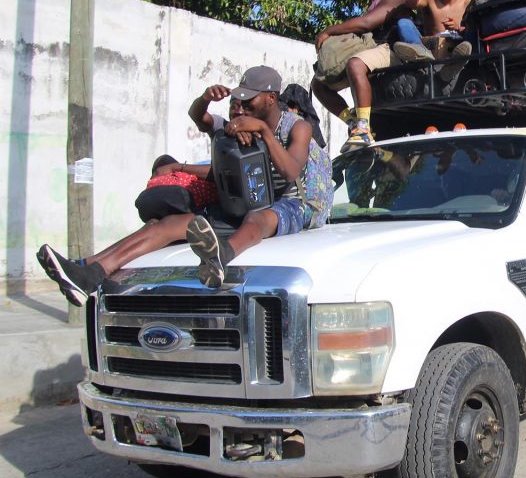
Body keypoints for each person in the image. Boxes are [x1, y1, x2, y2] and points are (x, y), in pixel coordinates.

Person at [37, 66, 333, 303]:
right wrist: (205, 99)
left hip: (300, 202)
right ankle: (87, 272)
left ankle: (221, 257)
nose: (242, 105)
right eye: (239, 99)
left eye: (250, 99)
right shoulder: (241, 121)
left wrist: (264, 133)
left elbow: (291, 170)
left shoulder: (297, 126)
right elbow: (200, 119)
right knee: (164, 225)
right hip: (253, 200)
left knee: (259, 218)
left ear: (271, 97)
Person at [311, 0, 407, 149]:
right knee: (318, 83)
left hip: (394, 50)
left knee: (356, 64)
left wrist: (328, 31)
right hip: (374, 51)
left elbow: (366, 24)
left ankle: (363, 129)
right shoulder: (376, 0)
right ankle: (354, 121)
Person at [393, 0, 473, 81]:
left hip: (455, 49)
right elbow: (409, 3)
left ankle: (452, 66)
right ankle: (420, 54)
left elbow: (476, 28)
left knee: (468, 41)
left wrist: (458, 27)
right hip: (430, 51)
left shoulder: (469, 2)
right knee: (403, 23)